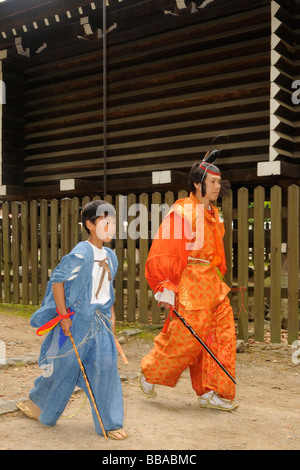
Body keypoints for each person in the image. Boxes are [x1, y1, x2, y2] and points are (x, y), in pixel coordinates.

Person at [17, 200, 127, 440]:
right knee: (63, 367)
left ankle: (110, 423)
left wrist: (112, 318)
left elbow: (107, 291)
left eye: (113, 222)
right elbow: (58, 281)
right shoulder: (81, 253)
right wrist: (64, 316)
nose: (110, 227)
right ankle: (38, 405)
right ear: (89, 224)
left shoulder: (111, 256)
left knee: (106, 370)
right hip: (78, 321)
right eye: (104, 222)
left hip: (101, 323)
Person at [140, 152, 237, 411]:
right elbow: (166, 249)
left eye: (219, 182)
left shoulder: (214, 214)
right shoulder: (182, 211)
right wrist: (166, 284)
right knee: (187, 339)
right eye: (213, 182)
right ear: (197, 184)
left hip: (214, 284)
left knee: (222, 336)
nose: (218, 186)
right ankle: (151, 371)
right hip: (191, 283)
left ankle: (210, 391)